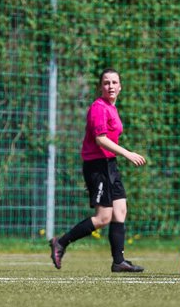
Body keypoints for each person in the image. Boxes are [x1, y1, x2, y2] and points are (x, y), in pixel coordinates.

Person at [49, 68, 147, 273]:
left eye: (114, 82)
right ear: (100, 86)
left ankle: (118, 261)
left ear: (120, 87)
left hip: (110, 165)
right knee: (103, 217)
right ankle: (61, 242)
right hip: (97, 165)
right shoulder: (98, 107)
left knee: (120, 210)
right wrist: (128, 154)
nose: (110, 86)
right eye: (106, 83)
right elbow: (100, 139)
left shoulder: (112, 108)